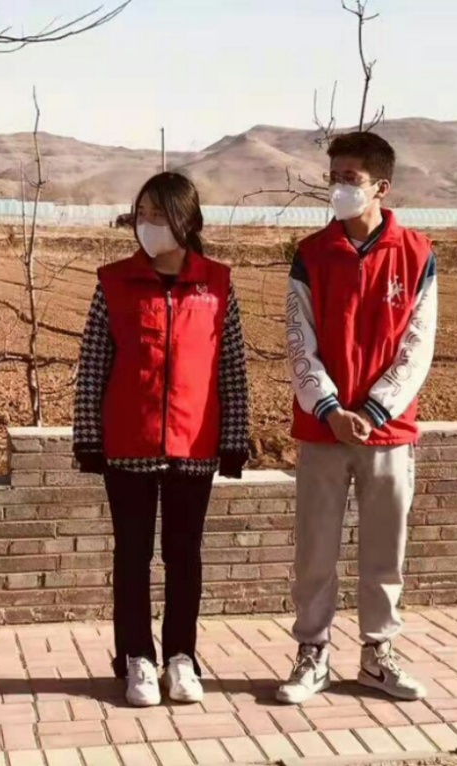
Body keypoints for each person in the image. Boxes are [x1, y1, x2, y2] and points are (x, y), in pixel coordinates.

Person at [73, 172, 250, 708]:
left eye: (158, 214)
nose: (147, 224)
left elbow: (231, 368)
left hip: (194, 446)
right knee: (132, 556)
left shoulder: (217, 285)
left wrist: (234, 438)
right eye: (142, 213)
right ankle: (136, 658)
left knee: (184, 556)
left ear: (187, 221)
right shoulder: (113, 283)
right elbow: (93, 366)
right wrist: (88, 438)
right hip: (128, 444)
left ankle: (181, 657)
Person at [277, 132, 438, 704]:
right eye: (334, 177)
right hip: (323, 429)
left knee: (384, 551)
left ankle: (378, 654)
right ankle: (312, 652)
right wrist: (328, 407)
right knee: (315, 549)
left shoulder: (416, 252)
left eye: (350, 178)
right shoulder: (311, 252)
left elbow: (418, 344)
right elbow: (298, 338)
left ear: (380, 187)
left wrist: (371, 410)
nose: (339, 187)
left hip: (387, 431)